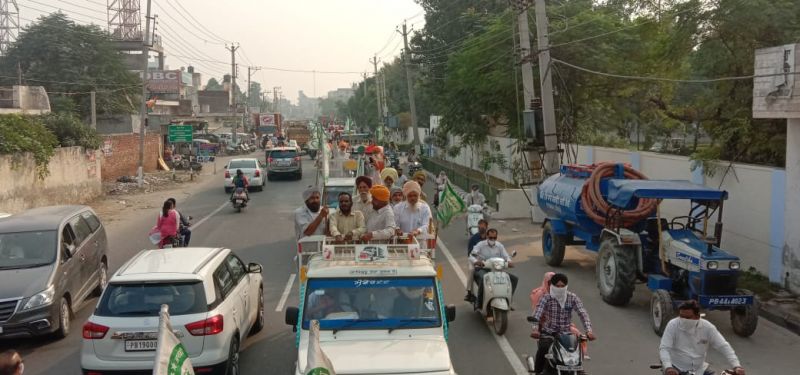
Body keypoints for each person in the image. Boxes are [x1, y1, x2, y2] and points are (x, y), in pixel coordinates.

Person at [531, 273, 596, 374]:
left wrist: (589, 331)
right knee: (543, 348)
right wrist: (535, 329)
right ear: (552, 286)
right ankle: (538, 372)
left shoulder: (572, 297)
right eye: (557, 286)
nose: (560, 288)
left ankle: (578, 369)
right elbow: (537, 314)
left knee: (576, 351)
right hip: (549, 333)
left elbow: (583, 313)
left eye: (562, 286)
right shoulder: (546, 298)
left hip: (566, 334)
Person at [659, 300, 745, 375]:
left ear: (697, 317)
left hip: (699, 369)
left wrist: (736, 366)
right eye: (681, 316)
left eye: (687, 317)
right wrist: (668, 367)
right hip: (675, 368)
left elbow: (723, 346)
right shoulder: (673, 325)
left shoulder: (707, 327)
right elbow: (664, 348)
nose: (683, 320)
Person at [466, 229, 518, 304]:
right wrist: (476, 261)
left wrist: (509, 262)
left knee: (514, 279)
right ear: (487, 236)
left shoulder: (499, 246)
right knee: (483, 279)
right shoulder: (480, 245)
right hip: (482, 268)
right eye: (491, 238)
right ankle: (479, 302)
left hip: (496, 270)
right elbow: (472, 255)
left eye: (494, 238)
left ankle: (508, 300)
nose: (492, 239)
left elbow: (506, 256)